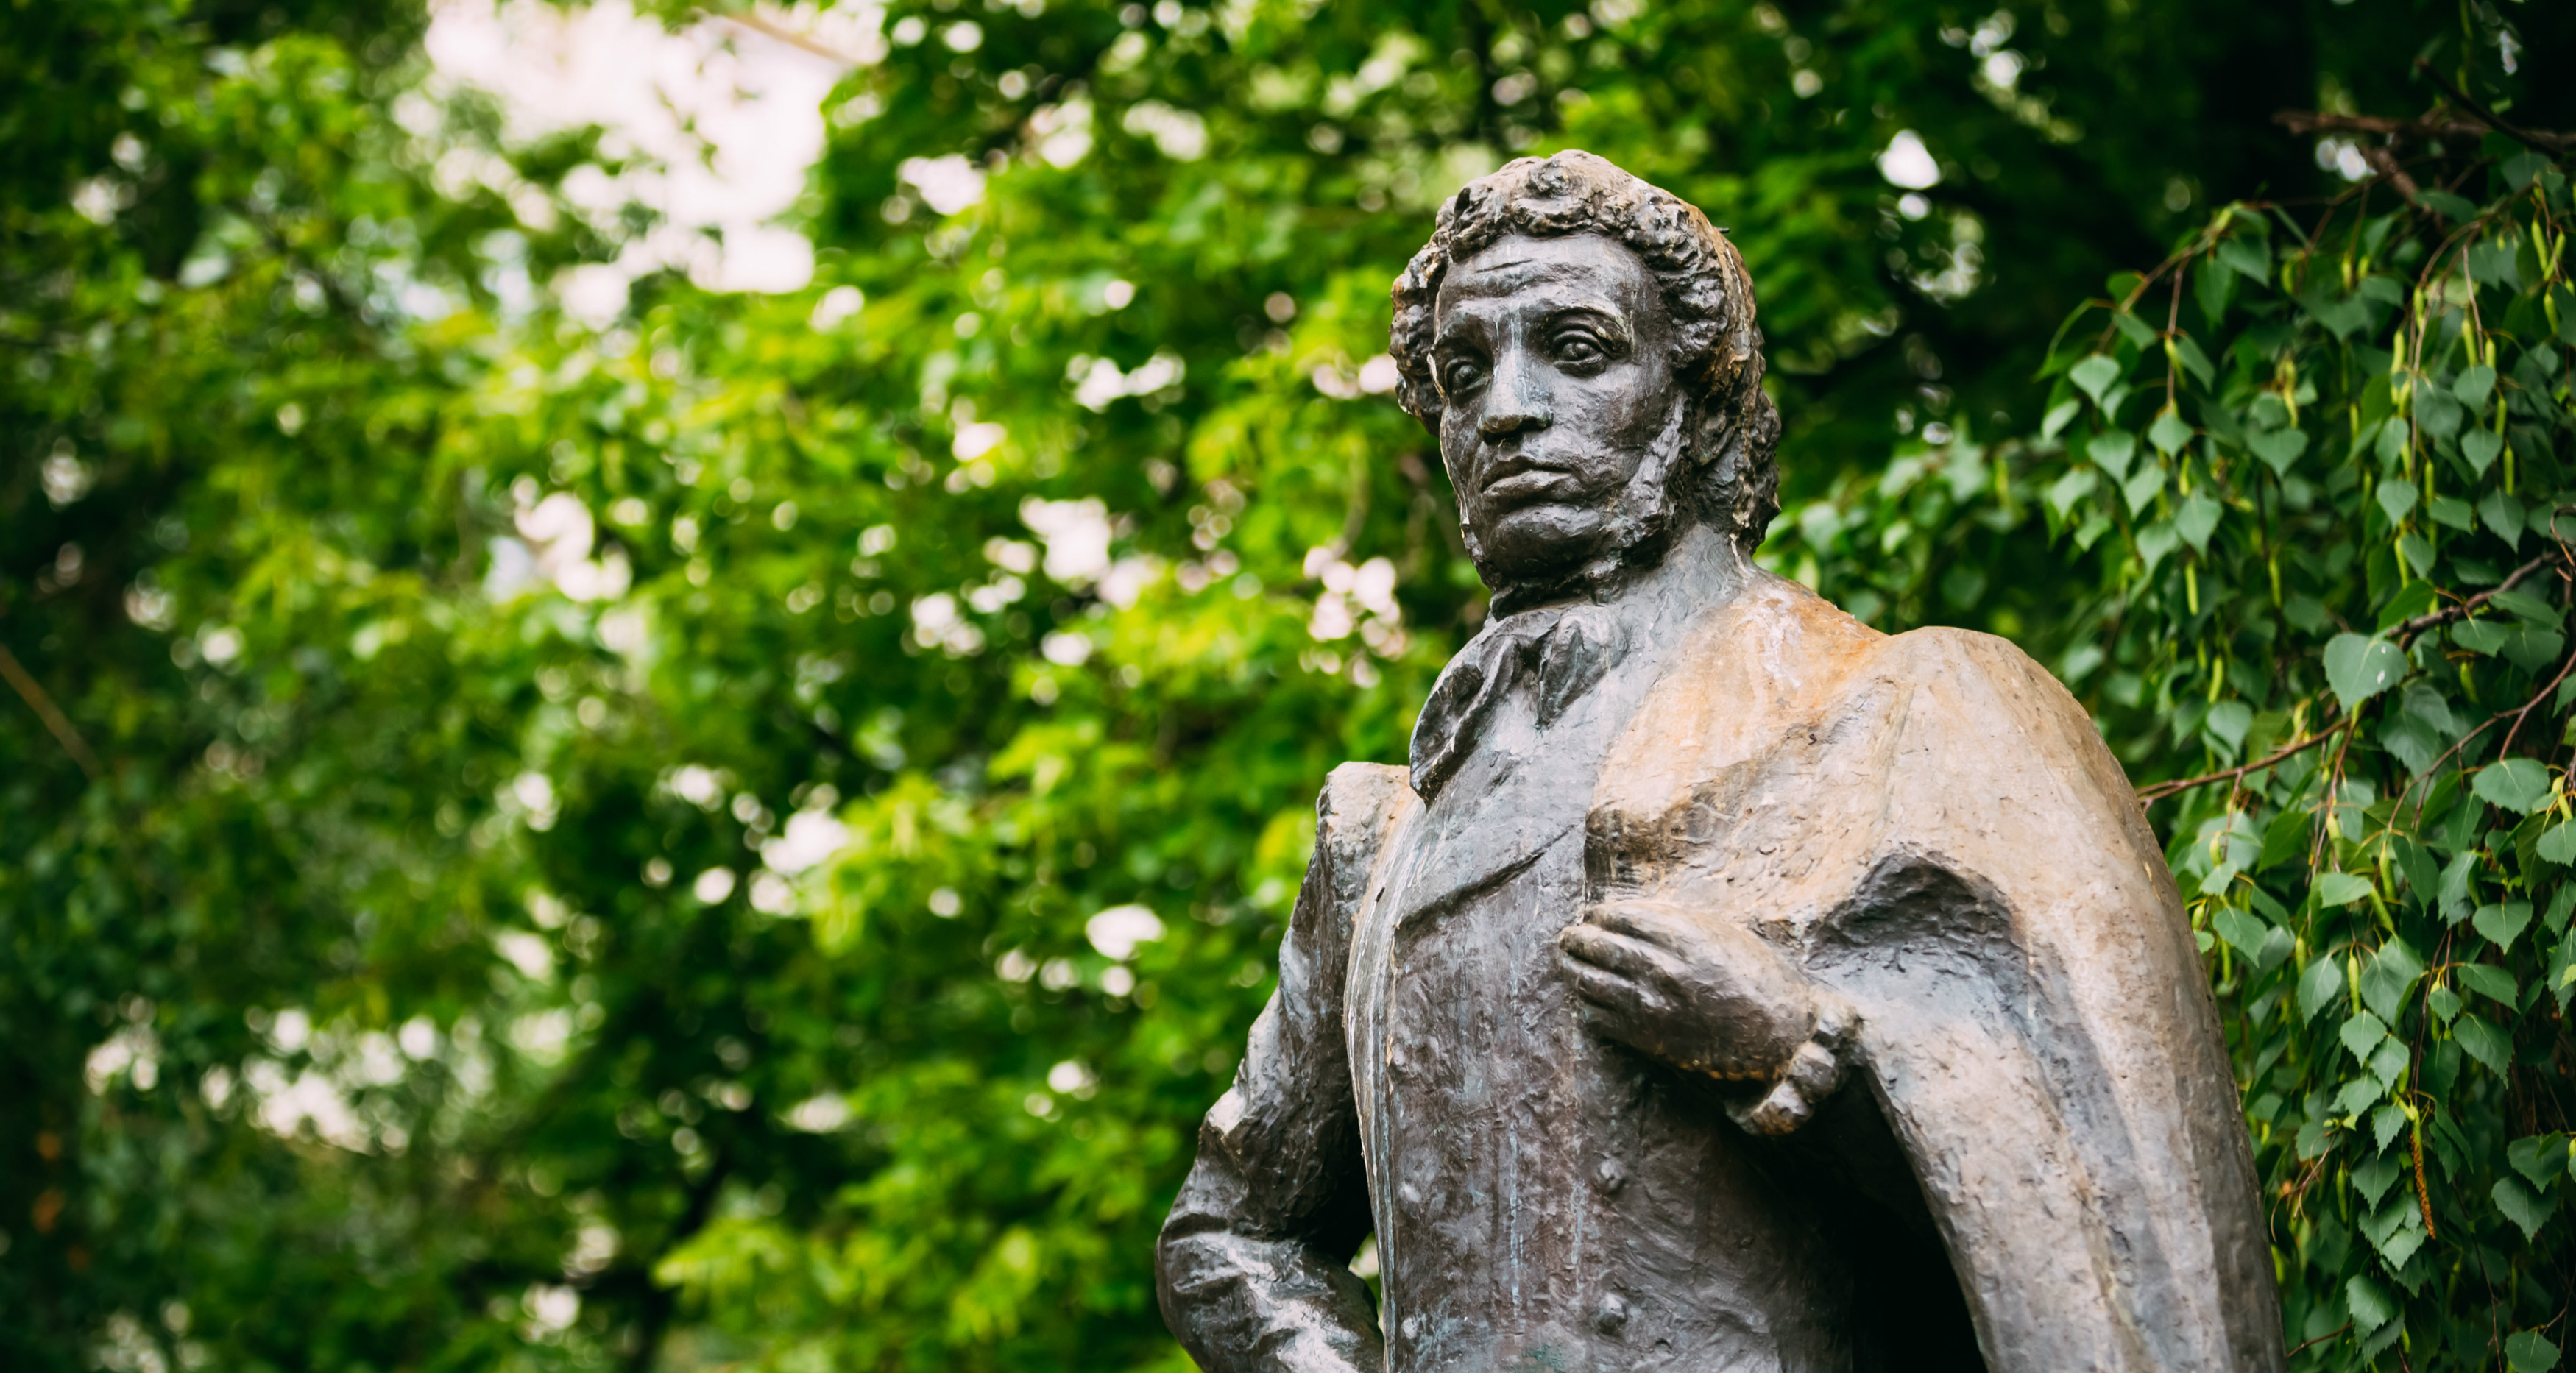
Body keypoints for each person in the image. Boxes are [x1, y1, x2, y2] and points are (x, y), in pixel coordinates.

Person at [1156, 151, 2282, 1373]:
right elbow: (1229, 1230)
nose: (1506, 409)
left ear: (1700, 404)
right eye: (1463, 372)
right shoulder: (1380, 842)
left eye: (1575, 350)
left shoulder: (1907, 719)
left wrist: (1798, 1054)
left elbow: (2100, 1208)